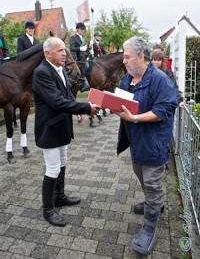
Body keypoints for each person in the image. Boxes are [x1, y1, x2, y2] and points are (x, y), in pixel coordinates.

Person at [115, 37, 178, 254]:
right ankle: (154, 204)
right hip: (135, 141)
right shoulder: (127, 79)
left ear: (142, 56)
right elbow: (122, 101)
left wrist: (134, 118)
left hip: (152, 143)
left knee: (152, 182)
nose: (124, 61)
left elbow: (163, 111)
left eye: (127, 56)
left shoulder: (160, 80)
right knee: (140, 174)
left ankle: (150, 225)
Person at [32, 37, 100, 227]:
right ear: (47, 54)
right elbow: (56, 101)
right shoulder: (41, 72)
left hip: (61, 125)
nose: (65, 54)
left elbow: (67, 93)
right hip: (50, 128)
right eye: (60, 50)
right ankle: (47, 209)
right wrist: (85, 108)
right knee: (52, 168)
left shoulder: (60, 69)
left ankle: (59, 196)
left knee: (62, 162)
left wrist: (77, 108)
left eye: (64, 50)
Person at [152, 50, 185, 169]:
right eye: (154, 60)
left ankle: (164, 160)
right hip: (153, 109)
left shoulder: (168, 73)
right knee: (154, 135)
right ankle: (156, 158)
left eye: (158, 60)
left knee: (165, 135)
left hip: (166, 110)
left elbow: (174, 88)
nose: (156, 62)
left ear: (162, 61)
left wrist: (180, 100)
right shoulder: (147, 73)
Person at [69, 22, 90, 92]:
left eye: (83, 29)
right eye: (81, 29)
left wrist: (89, 49)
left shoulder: (83, 39)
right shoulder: (73, 38)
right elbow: (72, 48)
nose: (83, 30)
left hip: (83, 58)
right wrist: (80, 48)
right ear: (77, 29)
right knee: (84, 66)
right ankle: (81, 84)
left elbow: (85, 50)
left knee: (89, 66)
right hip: (76, 58)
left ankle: (87, 83)